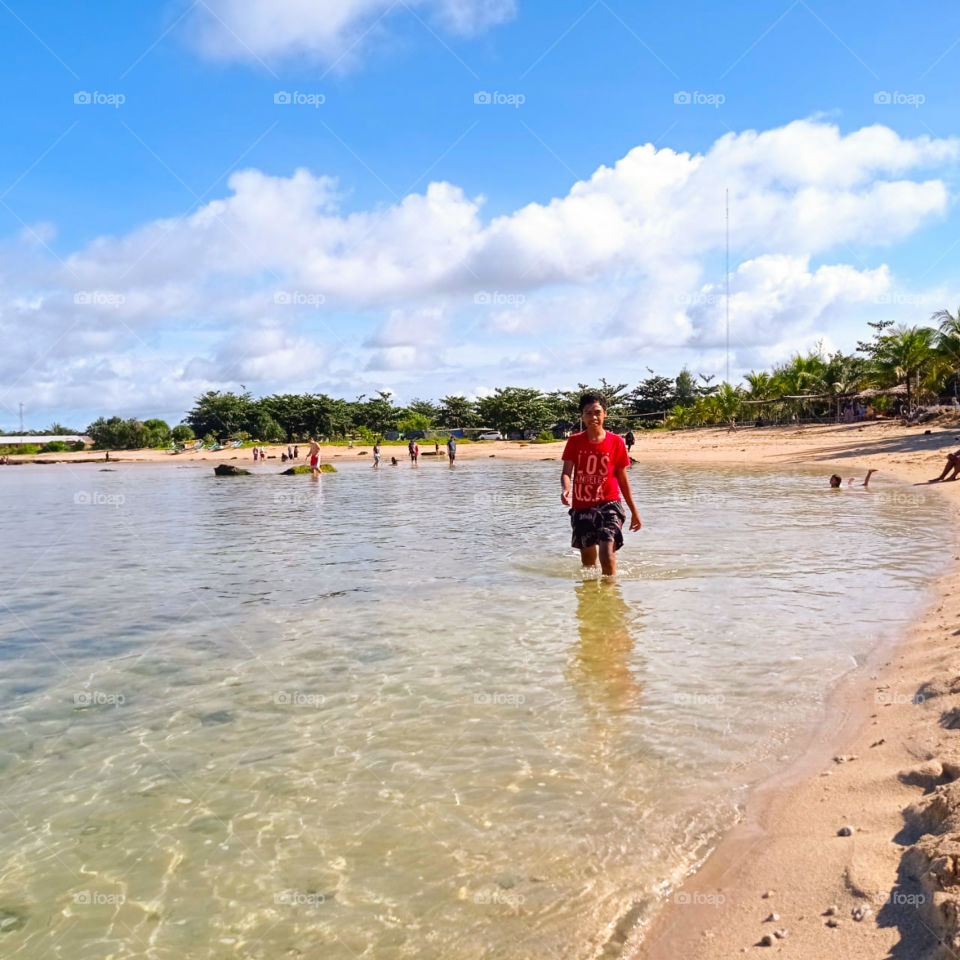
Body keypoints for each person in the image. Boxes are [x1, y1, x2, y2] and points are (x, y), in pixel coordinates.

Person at [561, 392, 642, 577]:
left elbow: (623, 480)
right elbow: (566, 473)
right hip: (582, 507)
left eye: (597, 412)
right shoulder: (574, 441)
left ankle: (611, 597)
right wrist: (565, 489)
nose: (593, 417)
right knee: (588, 564)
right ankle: (591, 602)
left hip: (609, 504)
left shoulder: (616, 442)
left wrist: (634, 512)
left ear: (605, 413)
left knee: (606, 553)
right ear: (582, 416)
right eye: (588, 413)